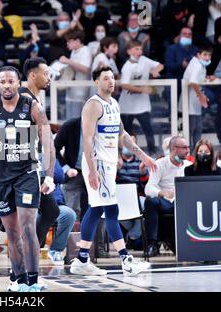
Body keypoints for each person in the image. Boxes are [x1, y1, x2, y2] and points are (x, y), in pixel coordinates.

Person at [0, 66, 56, 292]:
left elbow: (48, 144)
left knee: (28, 226)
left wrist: (49, 176)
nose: (7, 85)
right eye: (2, 82)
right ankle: (19, 281)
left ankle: (34, 281)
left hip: (27, 173)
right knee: (11, 232)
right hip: (1, 178)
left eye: (11, 81)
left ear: (19, 83)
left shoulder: (32, 108)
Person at [70, 65, 155, 276]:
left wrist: (142, 155)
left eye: (112, 78)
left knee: (97, 209)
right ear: (96, 82)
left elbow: (123, 134)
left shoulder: (114, 104)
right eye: (106, 78)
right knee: (111, 210)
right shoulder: (93, 105)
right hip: (97, 164)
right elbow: (87, 140)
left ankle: (81, 259)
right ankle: (126, 260)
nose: (111, 81)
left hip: (108, 165)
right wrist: (91, 170)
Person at [19, 58, 60, 252]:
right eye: (46, 74)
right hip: (19, 169)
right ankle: (24, 259)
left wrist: (48, 174)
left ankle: (31, 250)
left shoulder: (36, 100)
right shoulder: (21, 98)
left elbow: (45, 140)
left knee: (51, 210)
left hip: (33, 166)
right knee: (22, 220)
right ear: (33, 75)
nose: (49, 78)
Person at [144, 136, 190, 257]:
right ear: (174, 149)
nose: (187, 150)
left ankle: (182, 242)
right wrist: (161, 193)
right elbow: (148, 188)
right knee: (150, 202)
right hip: (165, 201)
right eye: (184, 147)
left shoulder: (189, 165)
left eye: (188, 147)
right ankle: (152, 244)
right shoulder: (160, 164)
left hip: (182, 202)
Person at [119, 40, 164, 155]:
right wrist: (142, 89)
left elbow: (160, 65)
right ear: (129, 51)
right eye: (136, 49)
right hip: (127, 107)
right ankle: (125, 154)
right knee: (126, 132)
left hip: (142, 105)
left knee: (148, 130)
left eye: (140, 49)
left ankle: (152, 152)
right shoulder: (127, 67)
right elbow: (124, 85)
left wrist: (155, 70)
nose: (139, 51)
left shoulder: (144, 60)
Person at [179, 45, 215, 148]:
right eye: (205, 55)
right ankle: (191, 153)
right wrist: (201, 96)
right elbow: (193, 82)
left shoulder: (198, 64)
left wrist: (207, 78)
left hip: (194, 102)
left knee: (197, 128)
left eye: (209, 55)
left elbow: (197, 79)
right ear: (198, 55)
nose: (207, 58)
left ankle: (195, 151)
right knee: (192, 129)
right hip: (190, 102)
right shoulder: (198, 65)